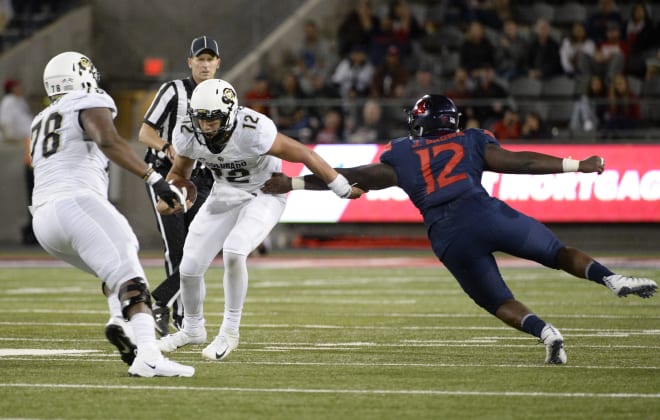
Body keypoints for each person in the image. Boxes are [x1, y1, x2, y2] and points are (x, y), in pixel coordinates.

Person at [261, 94, 657, 364]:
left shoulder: (402, 153)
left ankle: (547, 333)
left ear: (419, 122)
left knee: (497, 300)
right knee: (556, 253)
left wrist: (293, 183)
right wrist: (576, 165)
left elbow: (348, 176)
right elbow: (521, 162)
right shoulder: (470, 140)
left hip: (448, 233)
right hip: (484, 212)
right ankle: (612, 279)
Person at [156, 78, 362, 361]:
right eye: (200, 118)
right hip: (224, 193)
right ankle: (193, 329)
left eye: (212, 119)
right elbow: (180, 172)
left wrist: (341, 186)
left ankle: (229, 331)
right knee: (189, 267)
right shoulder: (188, 132)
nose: (205, 126)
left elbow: (304, 153)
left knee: (234, 250)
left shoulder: (253, 130)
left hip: (264, 192)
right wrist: (172, 194)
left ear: (229, 114)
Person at [30, 51, 194, 377]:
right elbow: (108, 139)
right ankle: (148, 355)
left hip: (43, 220)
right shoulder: (88, 98)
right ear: (82, 75)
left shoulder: (41, 119)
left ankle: (122, 324)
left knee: (114, 271)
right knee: (131, 272)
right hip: (76, 203)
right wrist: (155, 178)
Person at [138, 35, 220, 336]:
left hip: (203, 180)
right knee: (177, 250)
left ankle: (161, 304)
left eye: (210, 59)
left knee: (201, 249)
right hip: (167, 176)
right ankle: (183, 317)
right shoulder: (173, 90)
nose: (205, 64)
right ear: (190, 62)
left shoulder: (223, 94)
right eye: (200, 58)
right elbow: (145, 132)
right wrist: (168, 147)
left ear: (218, 63)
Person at [0, 78, 37, 244]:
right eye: (17, 86)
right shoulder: (9, 102)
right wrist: (14, 138)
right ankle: (30, 230)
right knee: (32, 192)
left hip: (31, 143)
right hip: (25, 146)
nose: (20, 88)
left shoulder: (19, 101)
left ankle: (33, 228)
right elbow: (6, 124)